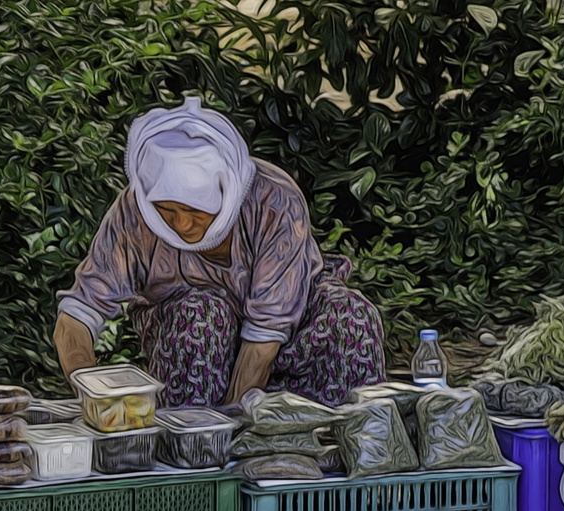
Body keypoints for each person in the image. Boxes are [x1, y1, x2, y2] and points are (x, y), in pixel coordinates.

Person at [55, 97, 385, 407]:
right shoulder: (134, 212)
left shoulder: (273, 201)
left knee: (349, 315)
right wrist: (93, 395)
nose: (182, 224)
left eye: (197, 209)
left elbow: (264, 337)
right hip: (198, 350)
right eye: (167, 210)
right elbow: (77, 315)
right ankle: (193, 453)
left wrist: (232, 426)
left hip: (293, 337)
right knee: (199, 315)